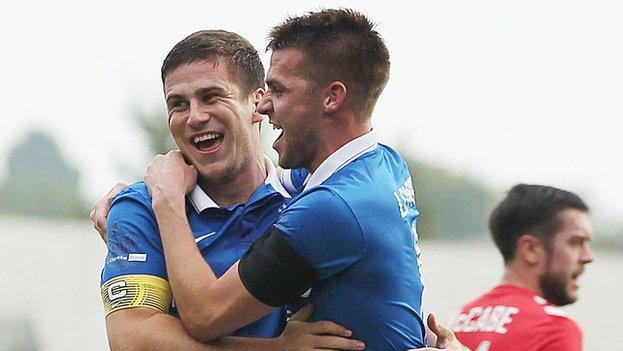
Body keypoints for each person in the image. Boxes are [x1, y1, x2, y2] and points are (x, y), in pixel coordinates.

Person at [140, 9, 429, 351]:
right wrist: (120, 198)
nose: (264, 108)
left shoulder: (332, 209)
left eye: (278, 90)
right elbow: (281, 180)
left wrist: (167, 201)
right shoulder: (383, 164)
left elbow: (205, 315)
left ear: (332, 98)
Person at [97, 29, 365, 351]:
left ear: (257, 103)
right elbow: (133, 339)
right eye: (178, 104)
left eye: (211, 97)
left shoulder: (314, 198)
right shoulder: (142, 207)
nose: (195, 116)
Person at [448, 184, 594, 351]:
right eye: (576, 242)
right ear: (531, 249)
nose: (588, 257)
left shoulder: (455, 321)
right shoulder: (555, 329)